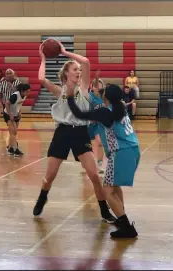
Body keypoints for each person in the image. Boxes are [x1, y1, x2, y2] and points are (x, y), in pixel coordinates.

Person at [33, 41, 115, 223]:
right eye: (74, 70)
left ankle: (104, 209)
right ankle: (43, 196)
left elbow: (86, 61)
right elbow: (40, 79)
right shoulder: (59, 90)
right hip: (62, 133)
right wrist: (43, 59)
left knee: (94, 175)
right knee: (49, 176)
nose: (78, 71)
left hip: (80, 133)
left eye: (78, 70)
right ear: (66, 74)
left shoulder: (84, 88)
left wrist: (64, 52)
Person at [66, 83, 140, 238]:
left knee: (107, 191)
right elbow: (97, 124)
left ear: (106, 96)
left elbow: (79, 114)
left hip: (120, 152)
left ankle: (126, 227)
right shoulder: (118, 107)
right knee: (114, 187)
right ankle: (122, 217)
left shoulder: (104, 112)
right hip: (132, 149)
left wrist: (70, 97)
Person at [4, 83, 31, 156]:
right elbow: (7, 103)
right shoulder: (15, 95)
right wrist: (10, 115)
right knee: (13, 131)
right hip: (8, 114)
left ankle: (10, 147)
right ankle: (16, 149)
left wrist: (19, 112)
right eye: (27, 91)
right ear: (22, 90)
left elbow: (18, 105)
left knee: (14, 132)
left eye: (29, 91)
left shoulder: (24, 96)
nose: (28, 93)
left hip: (16, 114)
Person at [88, 75, 106, 173]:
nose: (96, 87)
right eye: (94, 85)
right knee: (87, 146)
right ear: (92, 87)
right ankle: (86, 163)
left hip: (99, 124)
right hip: (88, 124)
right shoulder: (89, 96)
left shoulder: (104, 97)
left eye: (98, 85)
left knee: (100, 142)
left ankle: (99, 164)